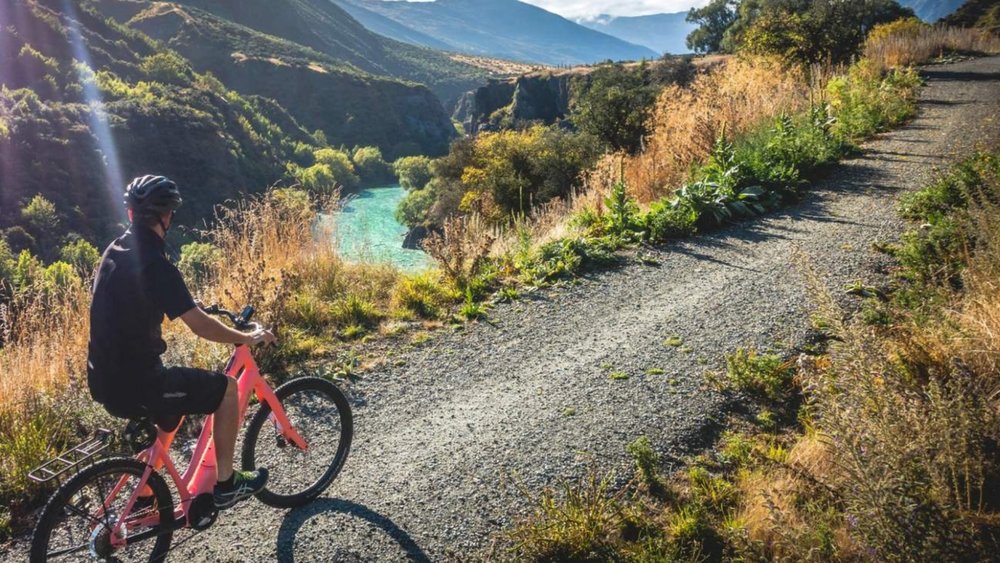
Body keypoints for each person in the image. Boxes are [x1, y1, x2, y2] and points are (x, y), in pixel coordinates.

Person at [87, 174, 275, 509]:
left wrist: (182, 302)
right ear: (167, 216)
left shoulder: (115, 250)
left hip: (102, 378)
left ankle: (145, 493)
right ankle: (227, 484)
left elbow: (132, 299)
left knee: (172, 412)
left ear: (130, 214)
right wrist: (246, 336)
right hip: (139, 384)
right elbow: (201, 327)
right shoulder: (156, 265)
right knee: (227, 389)